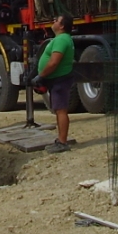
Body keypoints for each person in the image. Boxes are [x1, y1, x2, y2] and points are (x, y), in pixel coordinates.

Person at [31, 14, 75, 153]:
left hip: (60, 80)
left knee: (61, 110)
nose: (53, 21)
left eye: (56, 20)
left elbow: (54, 61)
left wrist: (41, 76)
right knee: (58, 109)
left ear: (62, 26)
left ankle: (62, 142)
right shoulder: (61, 39)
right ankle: (60, 140)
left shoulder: (62, 40)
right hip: (57, 79)